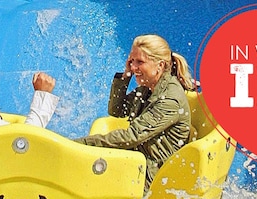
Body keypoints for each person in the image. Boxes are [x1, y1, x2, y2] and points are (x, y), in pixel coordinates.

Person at [74, 34, 196, 191]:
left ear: (160, 65)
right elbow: (116, 110)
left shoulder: (169, 100)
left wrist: (79, 145)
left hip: (153, 178)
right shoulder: (149, 88)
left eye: (140, 62)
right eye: (131, 61)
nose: (133, 67)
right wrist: (125, 77)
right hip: (137, 162)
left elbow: (130, 137)